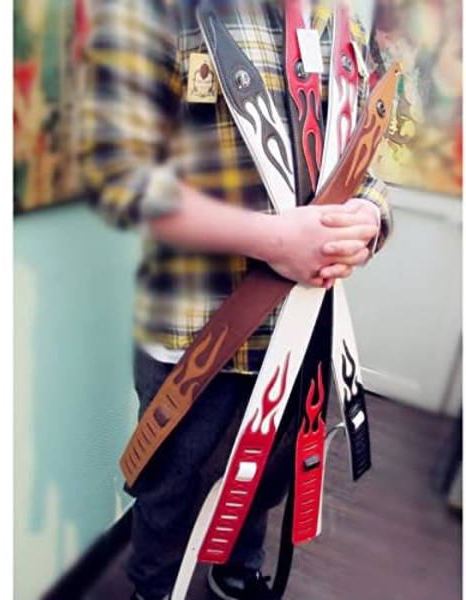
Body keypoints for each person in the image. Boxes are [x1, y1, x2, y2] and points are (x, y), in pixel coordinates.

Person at [81, 0, 392, 598]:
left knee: (267, 475)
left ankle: (236, 572)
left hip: (304, 330)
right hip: (195, 331)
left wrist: (369, 218)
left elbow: (364, 166)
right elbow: (117, 177)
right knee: (172, 487)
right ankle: (153, 589)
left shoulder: (343, 27)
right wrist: (274, 240)